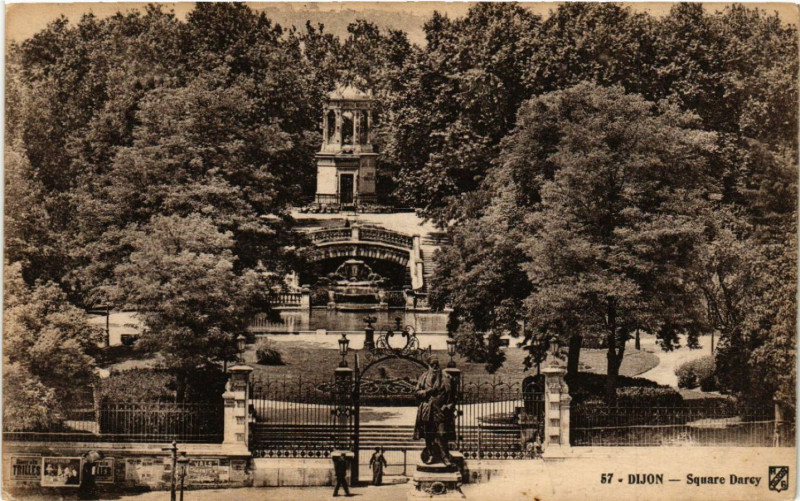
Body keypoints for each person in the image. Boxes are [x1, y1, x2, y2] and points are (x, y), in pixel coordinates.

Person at [413, 360, 456, 466]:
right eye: (433, 365)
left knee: (442, 434)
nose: (435, 366)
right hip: (427, 411)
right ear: (429, 366)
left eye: (437, 364)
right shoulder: (423, 377)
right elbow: (417, 392)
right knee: (429, 435)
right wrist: (427, 392)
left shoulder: (446, 378)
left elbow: (454, 397)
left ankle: (445, 457)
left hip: (441, 411)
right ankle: (431, 454)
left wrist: (449, 406)